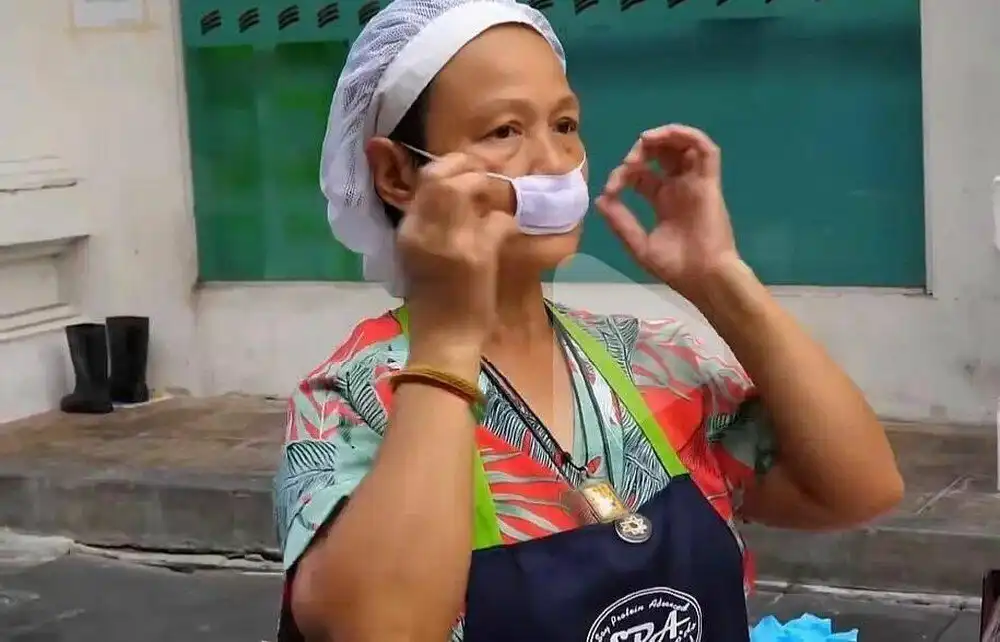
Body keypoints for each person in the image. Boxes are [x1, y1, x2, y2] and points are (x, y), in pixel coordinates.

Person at [272, 1, 905, 640]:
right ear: (397, 174)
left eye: (565, 124)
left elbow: (860, 489)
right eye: (504, 131)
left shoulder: (649, 361)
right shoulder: (351, 399)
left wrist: (720, 278)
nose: (555, 162)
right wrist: (449, 337)